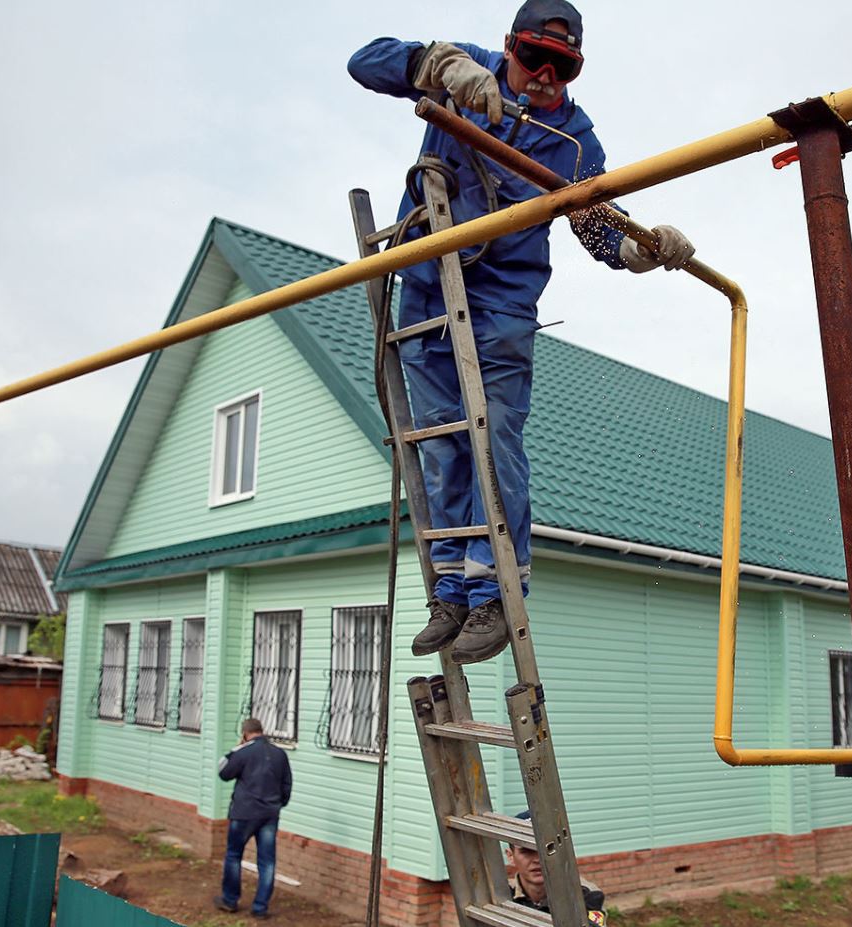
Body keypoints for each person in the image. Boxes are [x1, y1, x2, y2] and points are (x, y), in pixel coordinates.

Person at [348, 0, 696, 665]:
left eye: (562, 67)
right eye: (533, 58)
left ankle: (494, 592)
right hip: (427, 284)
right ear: (507, 48)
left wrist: (643, 247)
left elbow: (599, 231)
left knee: (491, 433)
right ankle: (451, 584)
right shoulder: (466, 72)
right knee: (442, 438)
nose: (543, 76)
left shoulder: (573, 142)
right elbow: (363, 62)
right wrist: (437, 67)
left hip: (500, 301)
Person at [214, 718, 293, 919]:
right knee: (267, 861)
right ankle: (260, 908)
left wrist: (236, 749)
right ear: (261, 731)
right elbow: (287, 785)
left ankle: (230, 900)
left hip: (244, 813)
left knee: (233, 855)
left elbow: (223, 771)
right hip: (269, 814)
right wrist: (277, 804)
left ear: (245, 733)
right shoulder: (279, 754)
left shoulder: (243, 752)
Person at [506, 810, 608, 925]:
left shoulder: (583, 894)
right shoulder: (501, 893)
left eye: (547, 849)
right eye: (527, 851)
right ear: (511, 856)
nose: (538, 859)